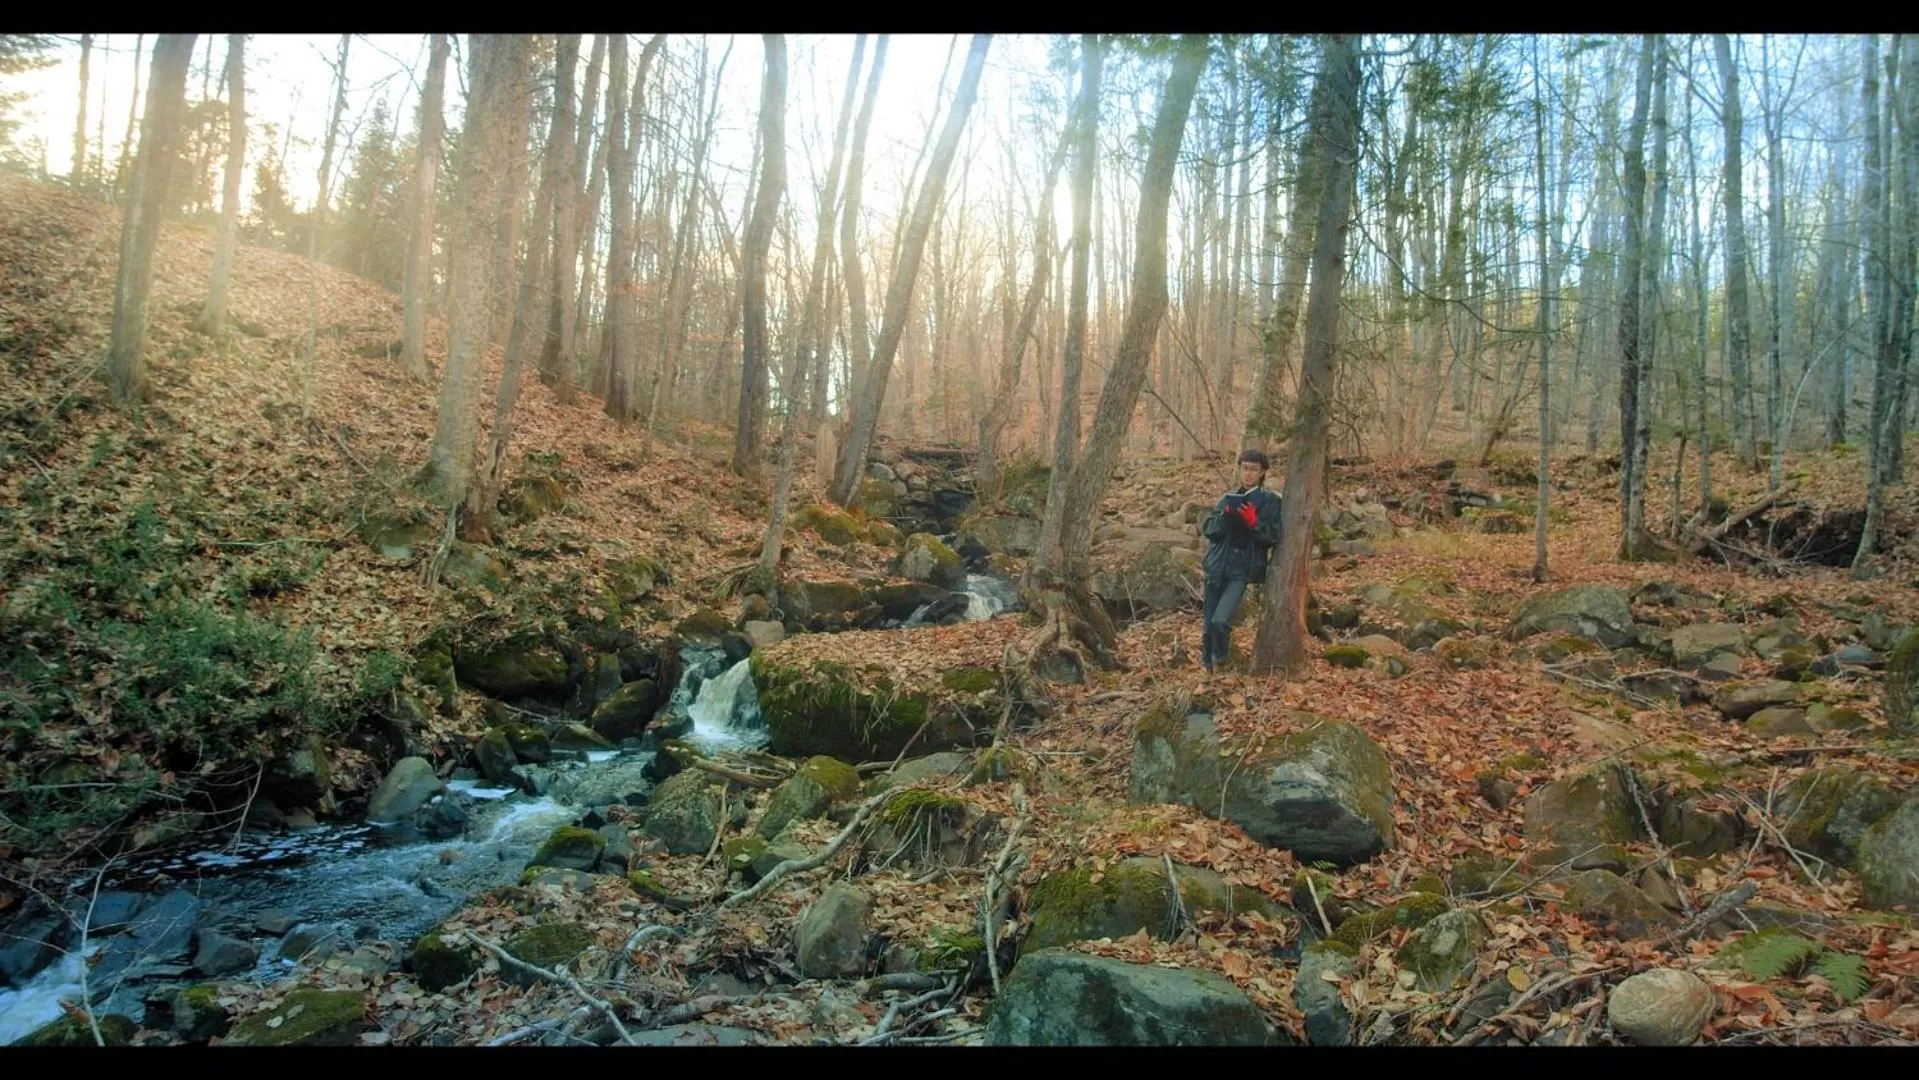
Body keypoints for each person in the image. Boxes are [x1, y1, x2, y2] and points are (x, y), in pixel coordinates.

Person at [1199, 448, 1282, 673]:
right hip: (1216, 565)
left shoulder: (1270, 501)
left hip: (1242, 569)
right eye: (1244, 468)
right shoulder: (1227, 498)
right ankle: (1208, 670)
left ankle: (1222, 661)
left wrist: (1254, 522)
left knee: (1220, 621)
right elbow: (1209, 531)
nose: (1248, 474)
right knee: (1207, 627)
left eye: (1253, 469)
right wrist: (1225, 517)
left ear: (1262, 472)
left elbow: (1274, 537)